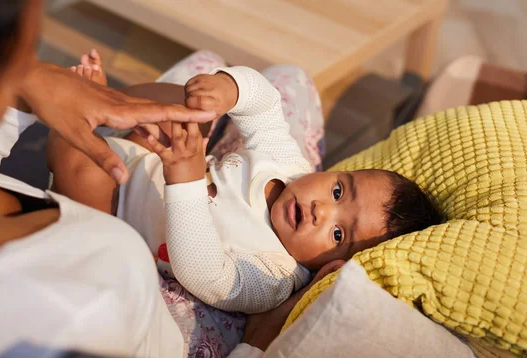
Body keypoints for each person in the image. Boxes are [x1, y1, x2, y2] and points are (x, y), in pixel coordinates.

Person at [0, 0, 250, 358]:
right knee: (280, 81)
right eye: (26, 53)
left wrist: (27, 90)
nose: (35, 61)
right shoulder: (68, 326)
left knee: (210, 75)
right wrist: (258, 352)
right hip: (191, 347)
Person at [47, 52, 443, 314]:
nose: (323, 210)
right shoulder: (290, 165)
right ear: (336, 172)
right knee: (188, 108)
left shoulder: (275, 276)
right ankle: (104, 100)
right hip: (150, 159)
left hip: (112, 216)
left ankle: (73, 115)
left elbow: (205, 275)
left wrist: (185, 179)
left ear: (332, 269)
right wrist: (227, 90)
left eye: (339, 233)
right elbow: (266, 105)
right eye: (338, 191)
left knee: (79, 168)